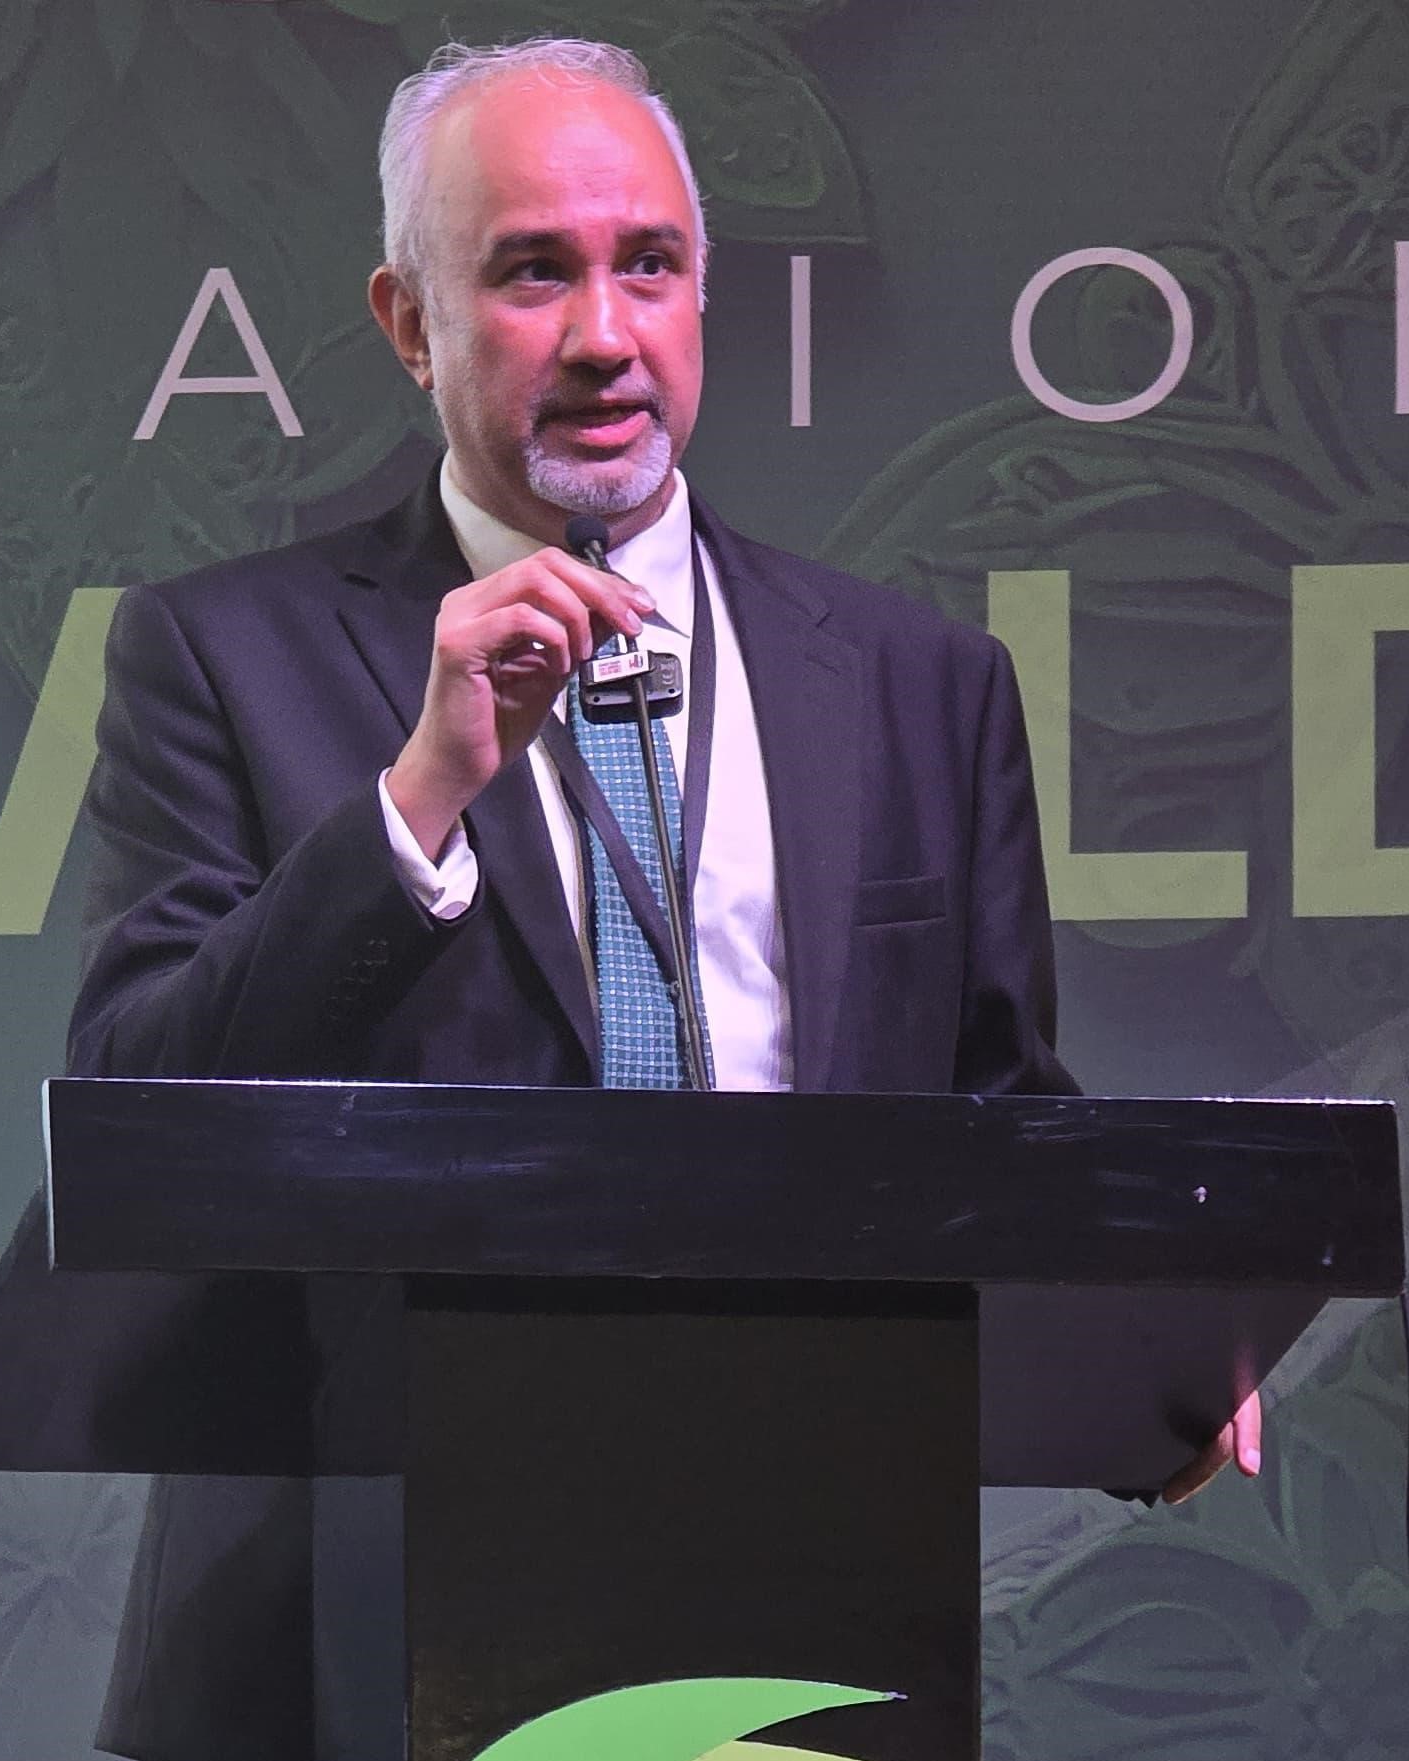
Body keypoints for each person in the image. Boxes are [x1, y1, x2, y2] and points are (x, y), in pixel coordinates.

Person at [70, 38, 1260, 1761]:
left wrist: (1147, 1363)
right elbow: (140, 1107)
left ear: (704, 292)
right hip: (355, 1638)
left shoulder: (919, 685)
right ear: (410, 322)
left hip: (808, 1604)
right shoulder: (221, 655)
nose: (604, 334)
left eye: (648, 264)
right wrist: (419, 796)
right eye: (530, 273)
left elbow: (998, 1131)